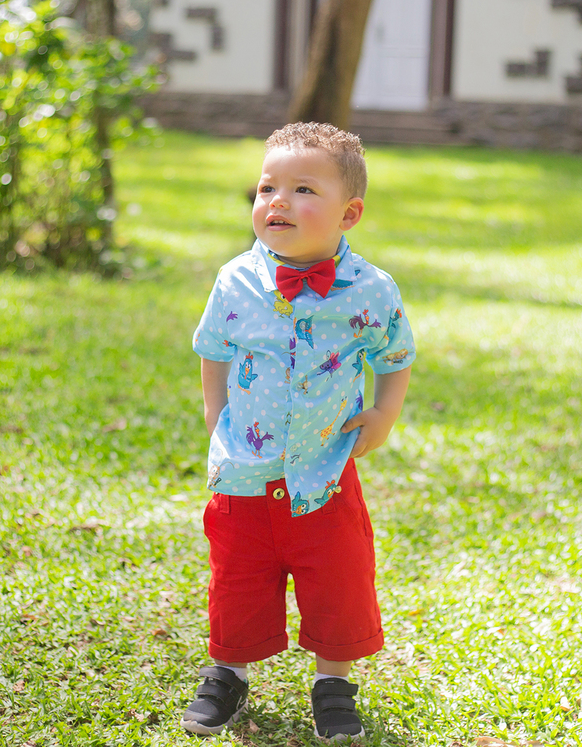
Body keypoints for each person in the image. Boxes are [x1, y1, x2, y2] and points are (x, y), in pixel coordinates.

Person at [184, 122, 416, 741]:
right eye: (267, 188)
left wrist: (384, 414)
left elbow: (395, 356)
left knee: (338, 580)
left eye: (303, 189)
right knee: (237, 580)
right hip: (245, 472)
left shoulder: (371, 289)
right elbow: (214, 350)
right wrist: (215, 416)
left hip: (325, 472)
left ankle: (333, 683)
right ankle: (228, 673)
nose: (278, 201)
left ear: (349, 213)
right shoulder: (235, 279)